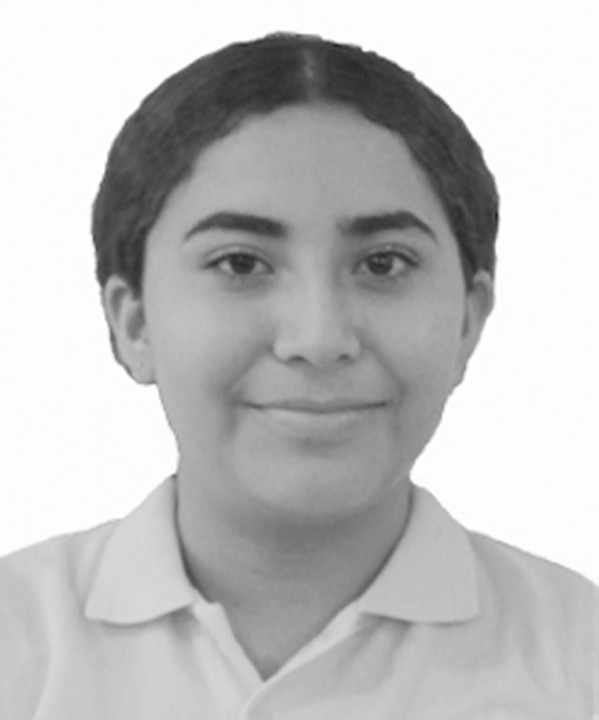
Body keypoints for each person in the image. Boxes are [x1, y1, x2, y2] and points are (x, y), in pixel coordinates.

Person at [0, 32, 596, 719]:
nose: (318, 338)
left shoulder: (579, 659)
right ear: (133, 323)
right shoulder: (18, 645)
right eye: (240, 263)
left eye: (383, 264)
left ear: (467, 319)